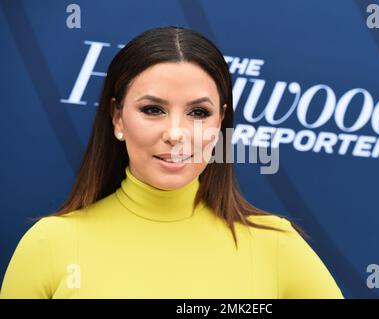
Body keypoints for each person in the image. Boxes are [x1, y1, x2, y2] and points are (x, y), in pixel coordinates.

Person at [0, 26, 343, 299]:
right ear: (117, 119)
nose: (176, 133)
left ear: (220, 123)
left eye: (198, 113)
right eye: (153, 110)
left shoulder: (276, 245)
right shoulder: (48, 244)